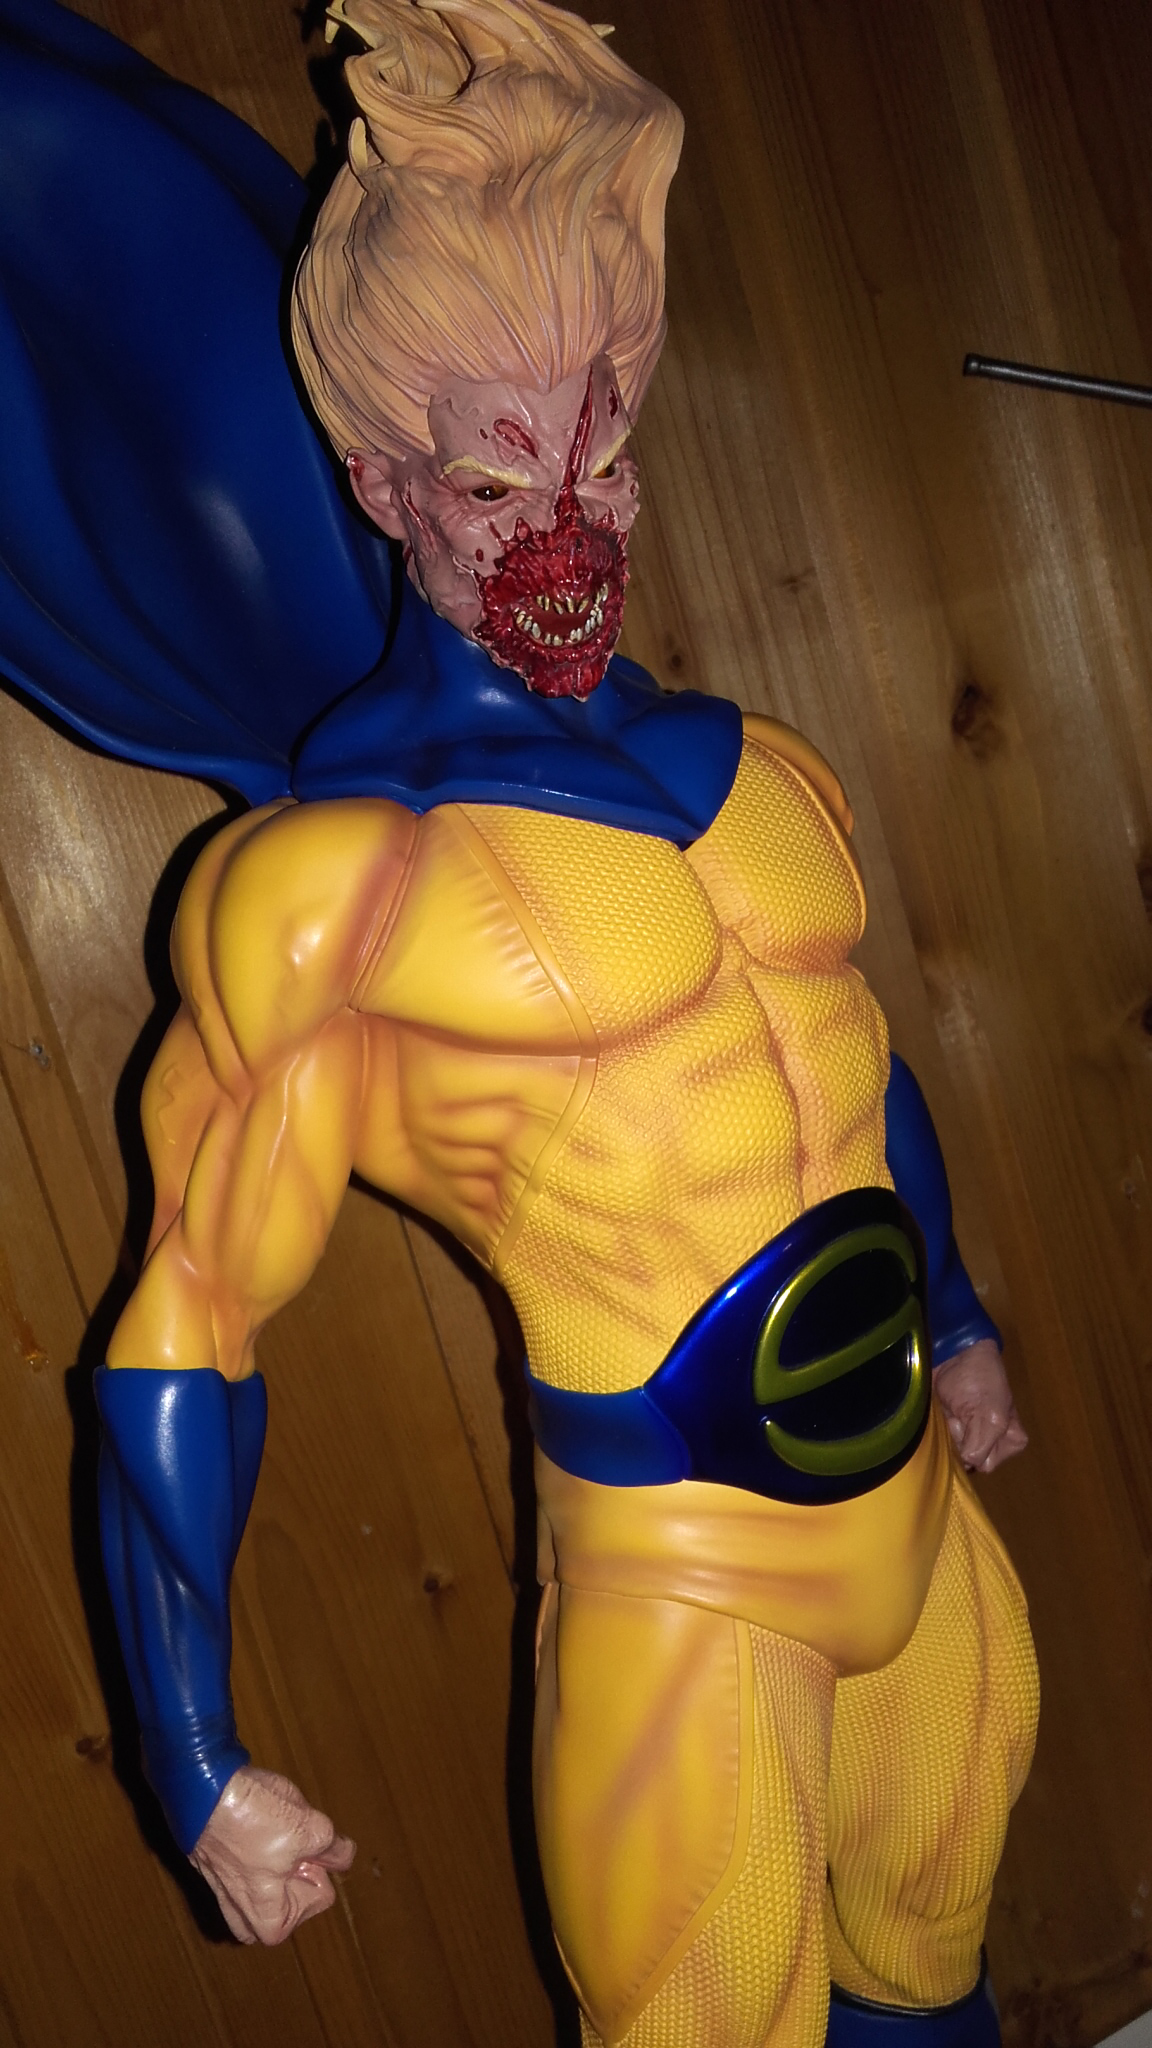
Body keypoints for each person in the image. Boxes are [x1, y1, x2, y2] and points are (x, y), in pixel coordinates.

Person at [4, 1, 1036, 2041]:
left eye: (603, 453)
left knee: (944, 1983)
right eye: (493, 480)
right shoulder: (336, 889)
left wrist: (962, 1305)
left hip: (922, 1516)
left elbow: (859, 1069)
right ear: (381, 481)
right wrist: (190, 1749)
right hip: (688, 1590)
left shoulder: (762, 772)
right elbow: (185, 1318)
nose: (565, 534)